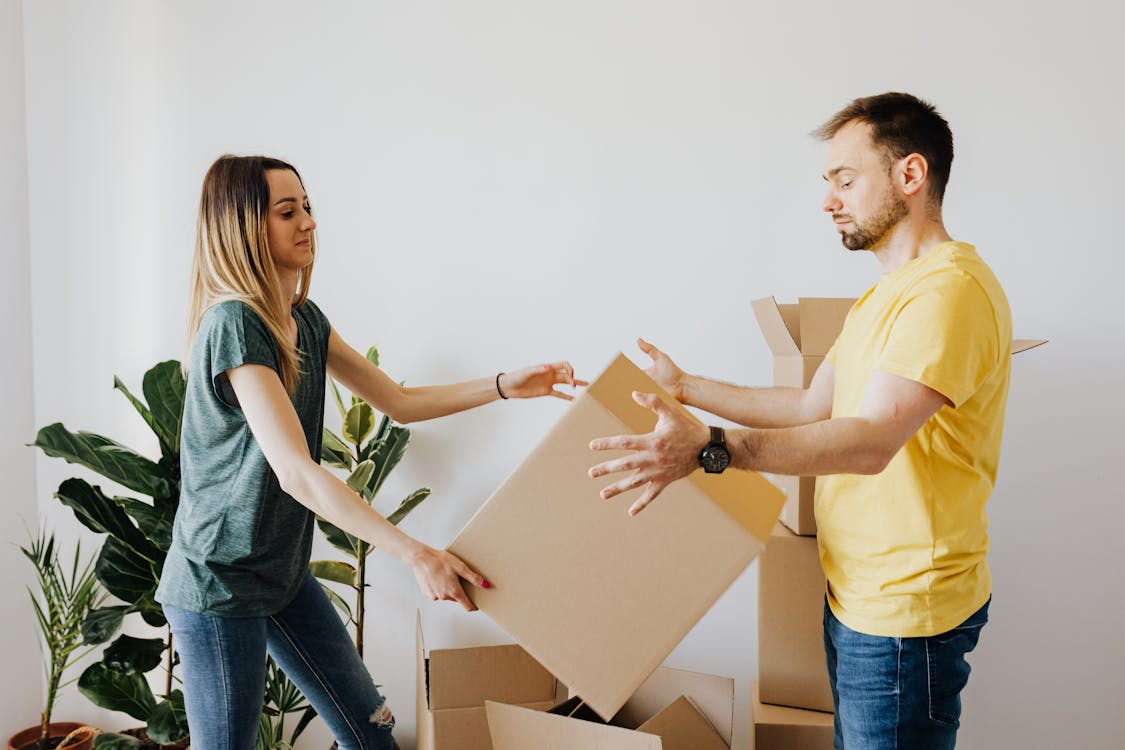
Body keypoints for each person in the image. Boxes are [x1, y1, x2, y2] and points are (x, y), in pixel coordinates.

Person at [589, 92, 1011, 750]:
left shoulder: (948, 292)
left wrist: (711, 450)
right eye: (827, 183)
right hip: (858, 594)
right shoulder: (883, 295)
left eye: (844, 179)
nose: (827, 200)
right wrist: (688, 388)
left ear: (909, 176)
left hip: (905, 613)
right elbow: (810, 408)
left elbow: (870, 441)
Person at [155, 154, 585, 750]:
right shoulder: (233, 324)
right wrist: (415, 553)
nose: (307, 222)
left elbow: (398, 401)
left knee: (371, 734)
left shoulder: (303, 320)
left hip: (281, 573)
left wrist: (506, 384)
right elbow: (297, 474)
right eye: (287, 211)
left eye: (307, 206)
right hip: (218, 585)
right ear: (244, 227)